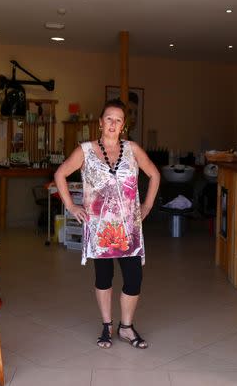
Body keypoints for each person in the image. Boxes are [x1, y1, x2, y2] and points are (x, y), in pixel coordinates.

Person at [54, 98, 160, 350]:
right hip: (100, 228)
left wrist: (146, 206)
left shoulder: (133, 149)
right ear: (100, 123)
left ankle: (126, 327)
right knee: (104, 276)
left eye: (118, 120)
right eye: (109, 119)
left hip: (129, 228)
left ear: (123, 125)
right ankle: (106, 325)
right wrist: (71, 206)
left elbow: (154, 174)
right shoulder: (86, 150)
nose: (113, 124)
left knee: (134, 277)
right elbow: (60, 174)